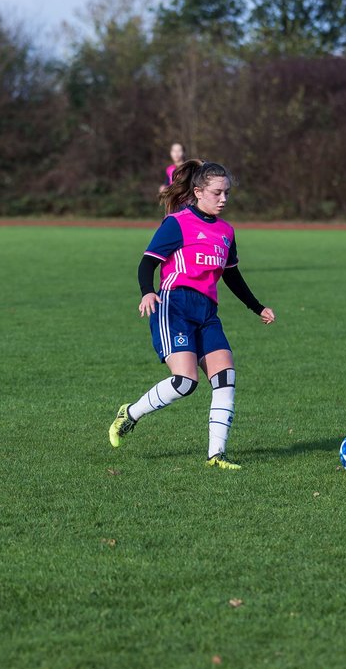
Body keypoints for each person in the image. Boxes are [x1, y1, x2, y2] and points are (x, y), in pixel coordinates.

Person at [109, 159, 276, 469]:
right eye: (217, 193)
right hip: (174, 306)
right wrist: (148, 291)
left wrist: (257, 307)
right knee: (186, 382)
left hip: (207, 311)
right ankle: (129, 414)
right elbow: (147, 263)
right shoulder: (177, 223)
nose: (223, 199)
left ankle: (216, 455)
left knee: (225, 377)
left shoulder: (226, 231)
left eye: (227, 193)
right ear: (198, 192)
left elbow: (232, 276)